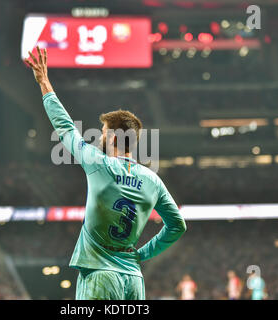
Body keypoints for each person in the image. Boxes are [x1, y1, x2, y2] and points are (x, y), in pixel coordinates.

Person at [24, 47, 186, 300]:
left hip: (101, 275)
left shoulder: (98, 163)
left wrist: (44, 82)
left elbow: (66, 129)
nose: (100, 135)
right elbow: (177, 226)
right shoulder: (153, 180)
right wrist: (141, 254)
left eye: (103, 130)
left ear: (111, 136)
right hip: (133, 280)